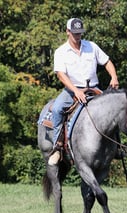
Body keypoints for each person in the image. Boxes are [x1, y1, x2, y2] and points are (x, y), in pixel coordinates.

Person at [48, 17, 119, 165]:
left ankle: (116, 146)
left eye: (80, 33)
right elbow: (61, 74)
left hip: (93, 89)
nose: (77, 36)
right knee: (56, 109)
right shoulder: (61, 52)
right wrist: (76, 91)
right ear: (68, 32)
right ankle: (58, 147)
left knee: (114, 109)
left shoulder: (92, 46)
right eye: (74, 33)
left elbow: (106, 61)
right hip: (71, 91)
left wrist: (114, 76)